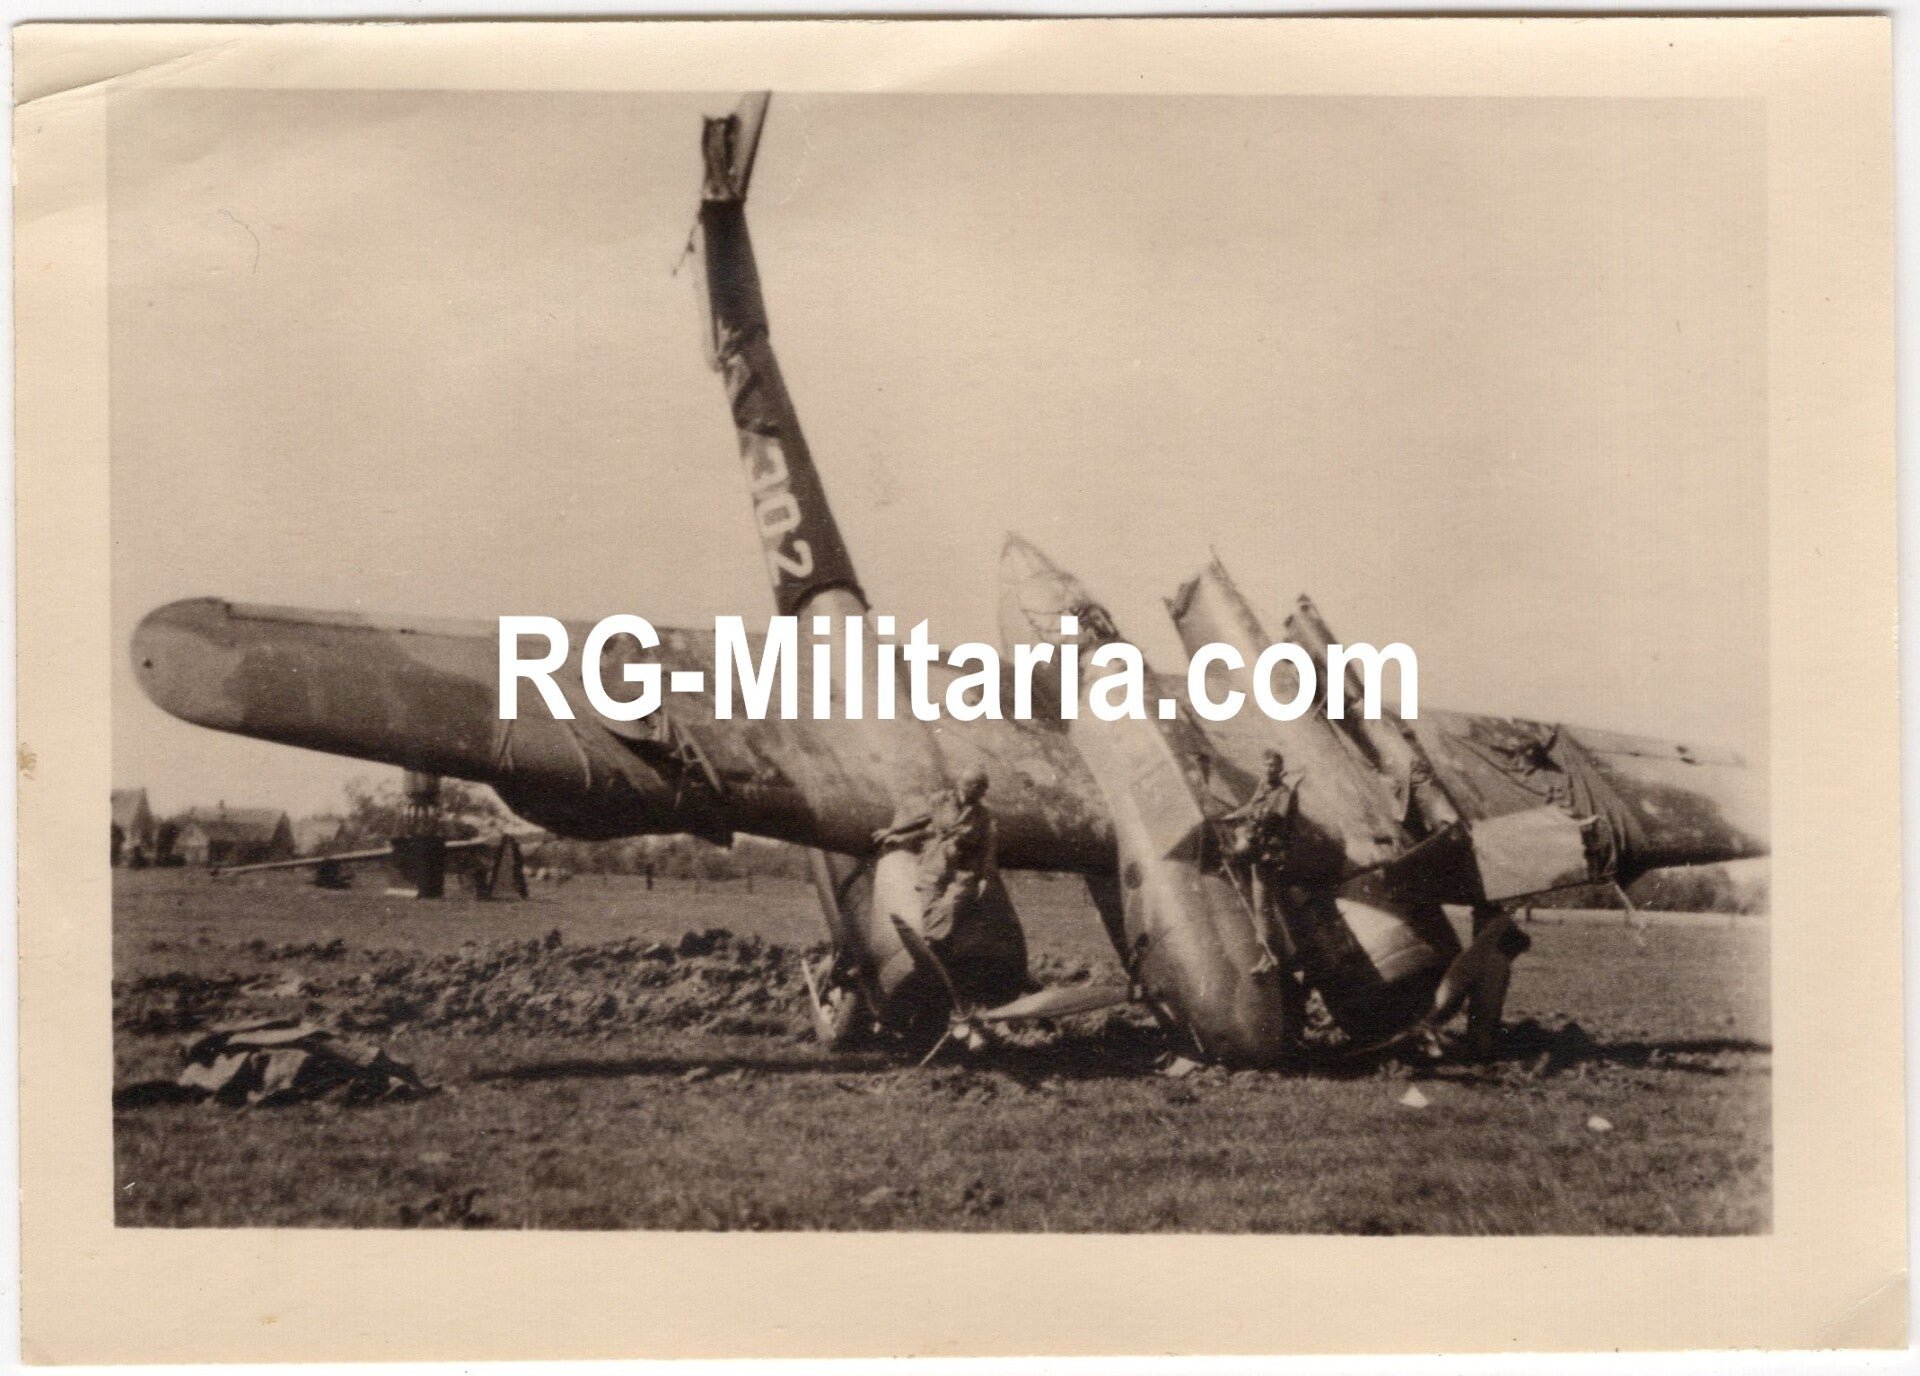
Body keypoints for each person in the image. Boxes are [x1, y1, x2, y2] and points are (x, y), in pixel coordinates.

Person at [872, 766, 998, 943]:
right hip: (936, 860)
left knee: (954, 900)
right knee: (929, 901)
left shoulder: (983, 814)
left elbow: (987, 848)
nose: (984, 793)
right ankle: (932, 941)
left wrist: (984, 877)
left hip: (962, 868)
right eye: (982, 789)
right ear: (972, 787)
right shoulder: (941, 800)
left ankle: (935, 938)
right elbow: (922, 818)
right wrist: (893, 831)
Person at [1219, 749, 1302, 974]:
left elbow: (1270, 819)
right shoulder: (1264, 786)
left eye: (1273, 765)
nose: (1269, 769)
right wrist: (1233, 815)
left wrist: (1244, 834)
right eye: (1266, 764)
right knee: (1265, 906)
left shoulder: (1283, 794)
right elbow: (1252, 806)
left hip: (1270, 856)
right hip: (1262, 854)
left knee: (1263, 907)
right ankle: (1277, 954)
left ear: (1280, 768)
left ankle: (1271, 958)